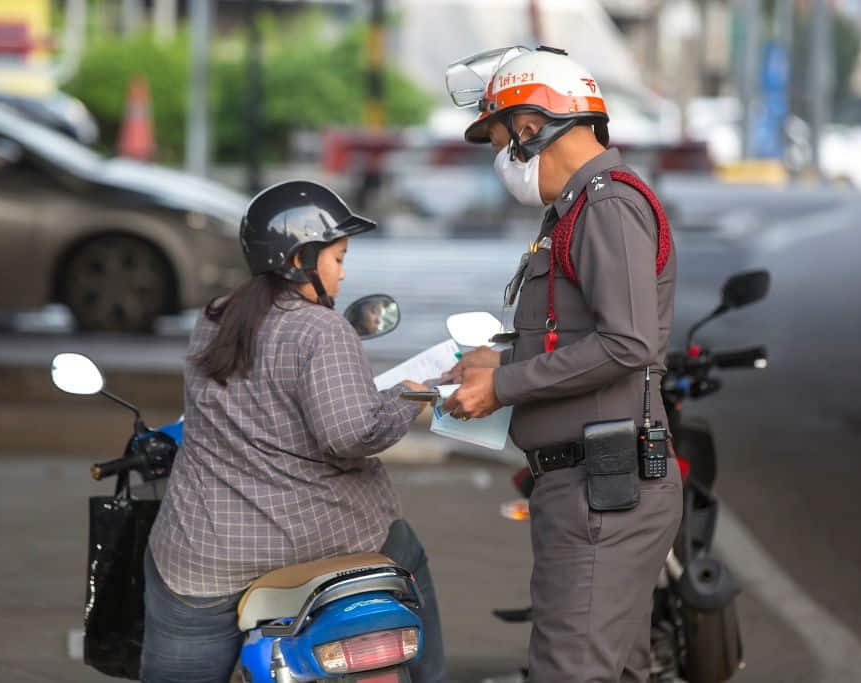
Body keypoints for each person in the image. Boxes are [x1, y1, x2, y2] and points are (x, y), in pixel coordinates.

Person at [441, 46, 683, 681]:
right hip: (583, 487)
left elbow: (627, 343)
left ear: (534, 127)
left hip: (600, 492)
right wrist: (497, 360)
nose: (504, 160)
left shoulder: (604, 206)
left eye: (502, 140)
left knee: (569, 671)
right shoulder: (576, 210)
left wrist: (505, 386)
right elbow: (574, 334)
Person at [142, 180, 445, 683]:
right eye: (339, 257)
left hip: (208, 554)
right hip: (326, 537)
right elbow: (349, 434)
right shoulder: (322, 329)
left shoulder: (216, 317)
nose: (344, 274)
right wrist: (408, 400)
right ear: (301, 257)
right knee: (405, 551)